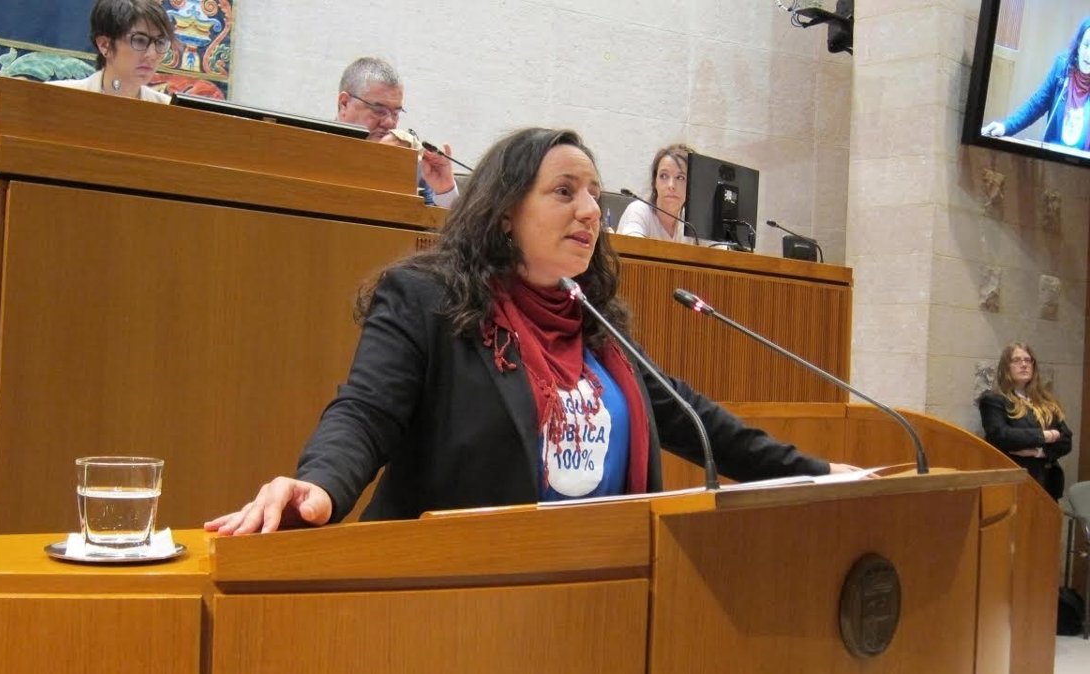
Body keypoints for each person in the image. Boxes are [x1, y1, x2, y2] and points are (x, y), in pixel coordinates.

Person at [205, 127, 856, 535]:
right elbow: (366, 413)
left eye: (594, 193)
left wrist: (823, 475)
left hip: (607, 594)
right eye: (565, 191)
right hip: (459, 601)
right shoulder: (427, 300)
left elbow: (700, 423)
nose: (591, 210)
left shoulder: (593, 322)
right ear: (504, 213)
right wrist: (319, 484)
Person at [336, 57, 458, 207]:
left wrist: (445, 190)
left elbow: (438, 220)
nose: (390, 123)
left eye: (395, 113)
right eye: (378, 110)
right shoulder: (313, 150)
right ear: (344, 103)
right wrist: (371, 160)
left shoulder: (410, 163)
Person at [977, 342, 1072, 500]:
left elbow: (1066, 440)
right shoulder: (994, 400)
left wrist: (1039, 452)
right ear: (1006, 367)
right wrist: (1046, 436)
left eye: (1028, 360)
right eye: (1016, 360)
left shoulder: (1046, 402)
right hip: (1016, 482)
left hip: (1049, 483)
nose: (1024, 364)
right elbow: (1001, 436)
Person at [981, 17, 1090, 150]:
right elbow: (1036, 105)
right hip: (1054, 158)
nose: (1088, 54)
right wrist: (1005, 126)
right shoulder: (1062, 68)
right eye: (1086, 45)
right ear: (1079, 46)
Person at [50, 0, 176, 104]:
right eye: (139, 40)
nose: (152, 55)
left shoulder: (170, 110)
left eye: (160, 42)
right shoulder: (56, 97)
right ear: (105, 45)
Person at [617, 143, 694, 244]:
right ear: (655, 182)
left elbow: (715, 248)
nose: (671, 185)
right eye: (664, 176)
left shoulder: (691, 222)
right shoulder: (638, 210)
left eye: (680, 177)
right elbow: (634, 247)